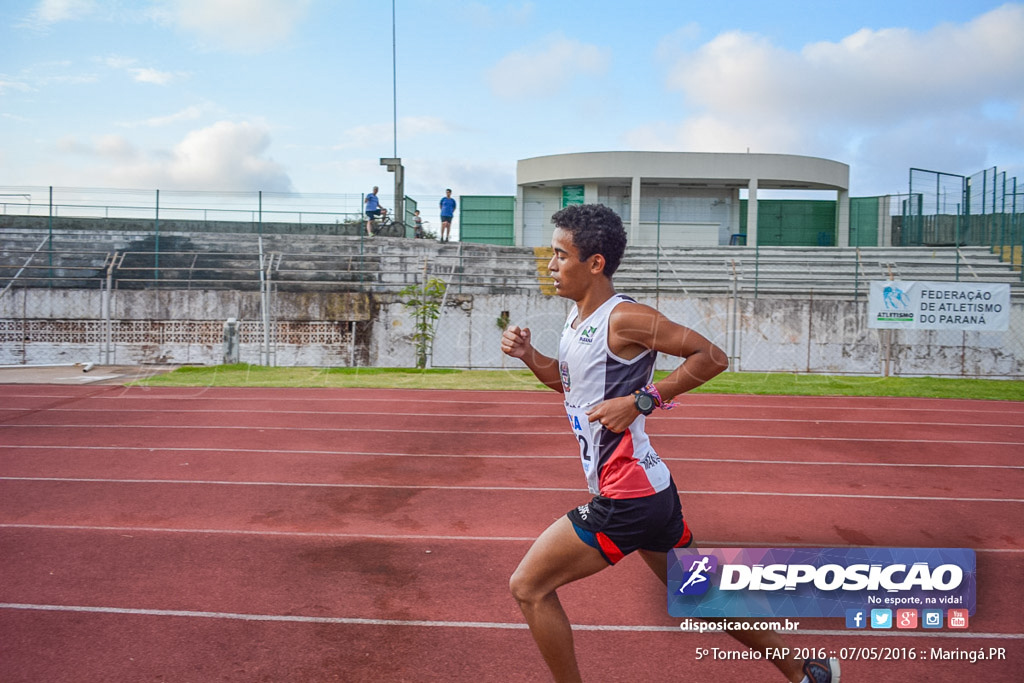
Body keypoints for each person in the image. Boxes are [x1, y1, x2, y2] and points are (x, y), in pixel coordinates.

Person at [500, 203, 840, 683]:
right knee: (701, 592)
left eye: (560, 255)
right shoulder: (578, 321)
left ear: (595, 263)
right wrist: (529, 355)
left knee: (528, 587)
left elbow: (711, 356)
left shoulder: (626, 319)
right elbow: (571, 386)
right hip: (652, 491)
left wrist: (643, 401)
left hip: (628, 495)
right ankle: (807, 672)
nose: (550, 266)